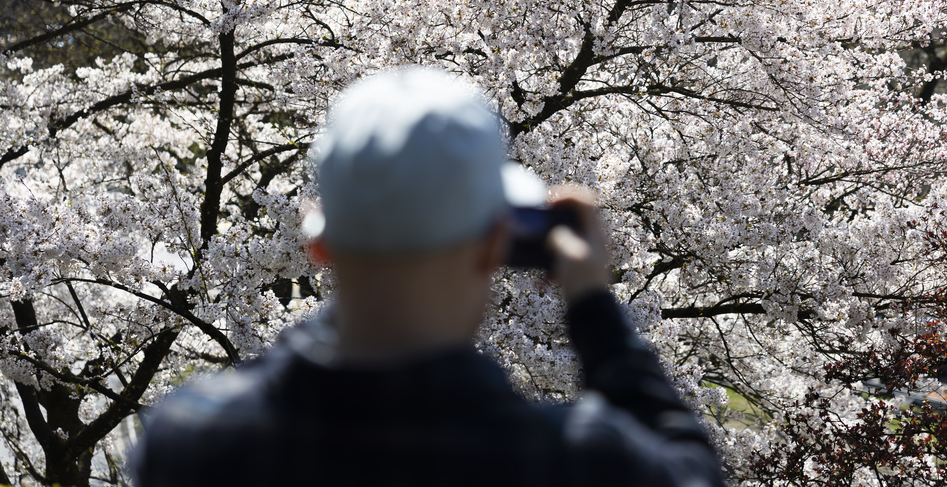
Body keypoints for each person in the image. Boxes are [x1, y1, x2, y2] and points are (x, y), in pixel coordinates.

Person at [131, 66, 725, 487]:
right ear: (496, 241)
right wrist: (592, 304)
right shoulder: (576, 460)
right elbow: (689, 467)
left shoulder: (189, 439)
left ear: (318, 243)